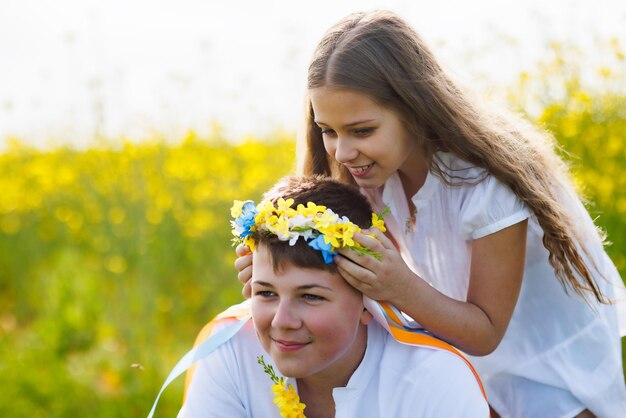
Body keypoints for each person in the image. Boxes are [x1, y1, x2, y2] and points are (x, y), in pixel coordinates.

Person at [234, 10, 626, 418]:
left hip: (547, 369)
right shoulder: (371, 174)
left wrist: (399, 286)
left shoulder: (484, 186)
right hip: (456, 356)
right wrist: (275, 274)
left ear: (414, 110)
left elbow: (485, 332)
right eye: (329, 131)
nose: (343, 152)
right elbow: (348, 282)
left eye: (362, 130)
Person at [180, 175, 490, 418]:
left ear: (368, 303)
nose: (282, 321)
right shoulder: (228, 350)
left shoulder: (436, 380)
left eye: (311, 297)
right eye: (266, 292)